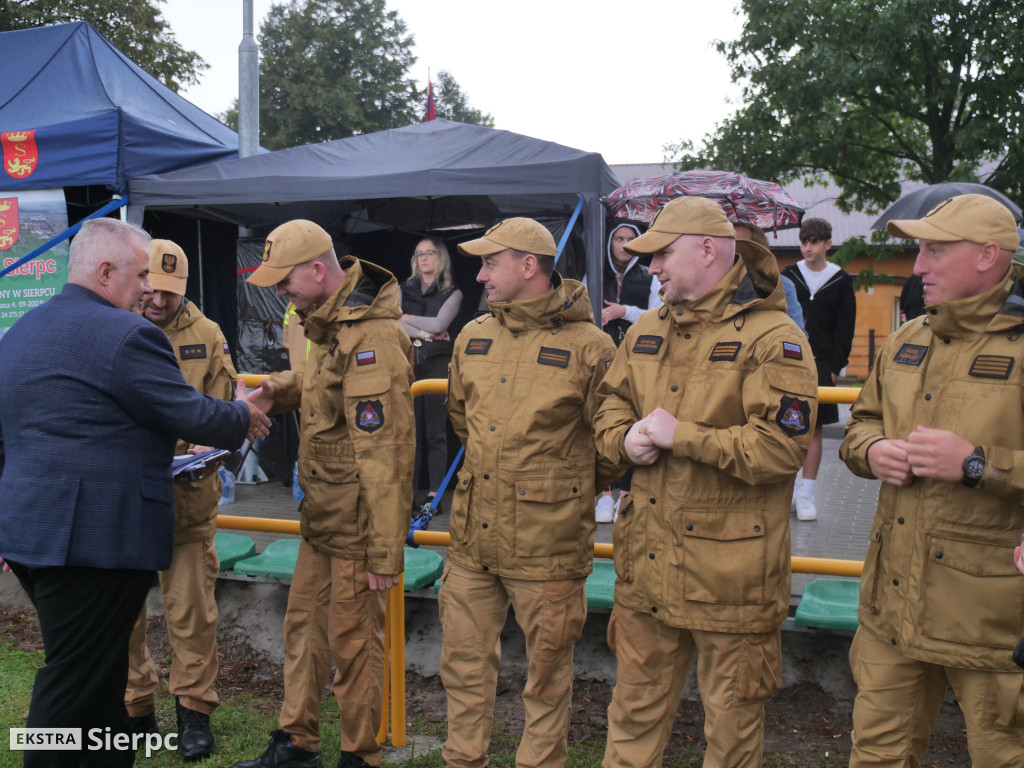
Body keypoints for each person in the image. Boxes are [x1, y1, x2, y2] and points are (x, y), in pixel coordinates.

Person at [0, 217, 268, 768]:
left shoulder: (22, 332)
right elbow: (189, 412)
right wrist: (245, 414)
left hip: (32, 535)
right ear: (105, 272)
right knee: (72, 682)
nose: (149, 287)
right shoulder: (127, 333)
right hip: (94, 540)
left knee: (93, 674)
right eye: (142, 274)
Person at [594, 197, 817, 768]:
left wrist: (681, 436)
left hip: (731, 584)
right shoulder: (647, 327)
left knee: (732, 735)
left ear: (709, 249)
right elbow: (609, 404)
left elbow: (780, 448)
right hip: (646, 573)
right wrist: (623, 440)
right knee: (631, 721)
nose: (652, 268)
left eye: (663, 253)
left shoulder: (775, 338)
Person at [840, 193, 1024, 766]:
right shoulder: (907, 337)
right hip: (893, 607)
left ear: (989, 255)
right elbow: (862, 423)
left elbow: (981, 461)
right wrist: (872, 453)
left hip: (992, 621)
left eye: (935, 252)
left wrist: (977, 463)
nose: (919, 267)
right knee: (876, 755)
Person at [235, 219, 414, 768]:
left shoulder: (372, 337)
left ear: (319, 270)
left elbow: (387, 451)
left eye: (285, 280)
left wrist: (385, 550)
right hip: (323, 516)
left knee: (355, 645)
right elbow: (324, 387)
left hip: (358, 529)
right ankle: (296, 744)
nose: (278, 292)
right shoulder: (332, 324)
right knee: (305, 632)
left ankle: (361, 756)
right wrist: (277, 389)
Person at [442, 218, 618, 768]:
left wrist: (554, 493)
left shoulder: (592, 346)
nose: (479, 274)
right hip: (473, 540)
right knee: (463, 665)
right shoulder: (472, 337)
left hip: (548, 546)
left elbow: (608, 448)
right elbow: (461, 421)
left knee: (547, 676)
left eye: (490, 262)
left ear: (528, 266)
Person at [123, 239, 238, 760]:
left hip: (187, 501)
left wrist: (211, 441)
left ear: (183, 289)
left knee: (191, 615)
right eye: (151, 287)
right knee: (121, 614)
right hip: (125, 500)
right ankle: (135, 708)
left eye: (170, 293)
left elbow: (227, 406)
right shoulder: (115, 323)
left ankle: (193, 713)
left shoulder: (207, 334)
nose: (157, 300)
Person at [585, 222, 663, 522]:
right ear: (610, 242)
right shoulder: (593, 271)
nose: (625, 243)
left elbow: (659, 314)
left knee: (633, 422)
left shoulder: (650, 275)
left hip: (637, 358)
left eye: (631, 238)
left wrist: (624, 311)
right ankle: (604, 493)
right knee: (599, 419)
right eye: (619, 238)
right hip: (600, 358)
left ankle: (627, 494)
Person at [780, 217, 856, 521]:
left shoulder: (840, 280)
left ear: (827, 244)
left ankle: (807, 494)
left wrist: (835, 367)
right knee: (784, 426)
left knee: (813, 429)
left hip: (823, 365)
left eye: (814, 241)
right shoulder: (788, 276)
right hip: (788, 359)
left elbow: (845, 328)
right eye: (804, 241)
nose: (808, 247)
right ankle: (788, 491)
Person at [400, 237, 463, 502]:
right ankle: (408, 494)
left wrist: (408, 320)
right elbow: (392, 320)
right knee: (410, 433)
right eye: (418, 254)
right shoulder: (403, 290)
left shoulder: (453, 293)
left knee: (436, 432)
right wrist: (427, 331)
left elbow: (440, 323)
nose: (423, 258)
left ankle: (434, 494)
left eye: (429, 253)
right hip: (408, 364)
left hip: (438, 364)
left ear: (441, 257)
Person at [733, 220, 805, 331]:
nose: (734, 252)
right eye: (730, 243)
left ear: (760, 251)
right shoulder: (711, 286)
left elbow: (798, 334)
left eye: (743, 246)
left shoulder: (781, 286)